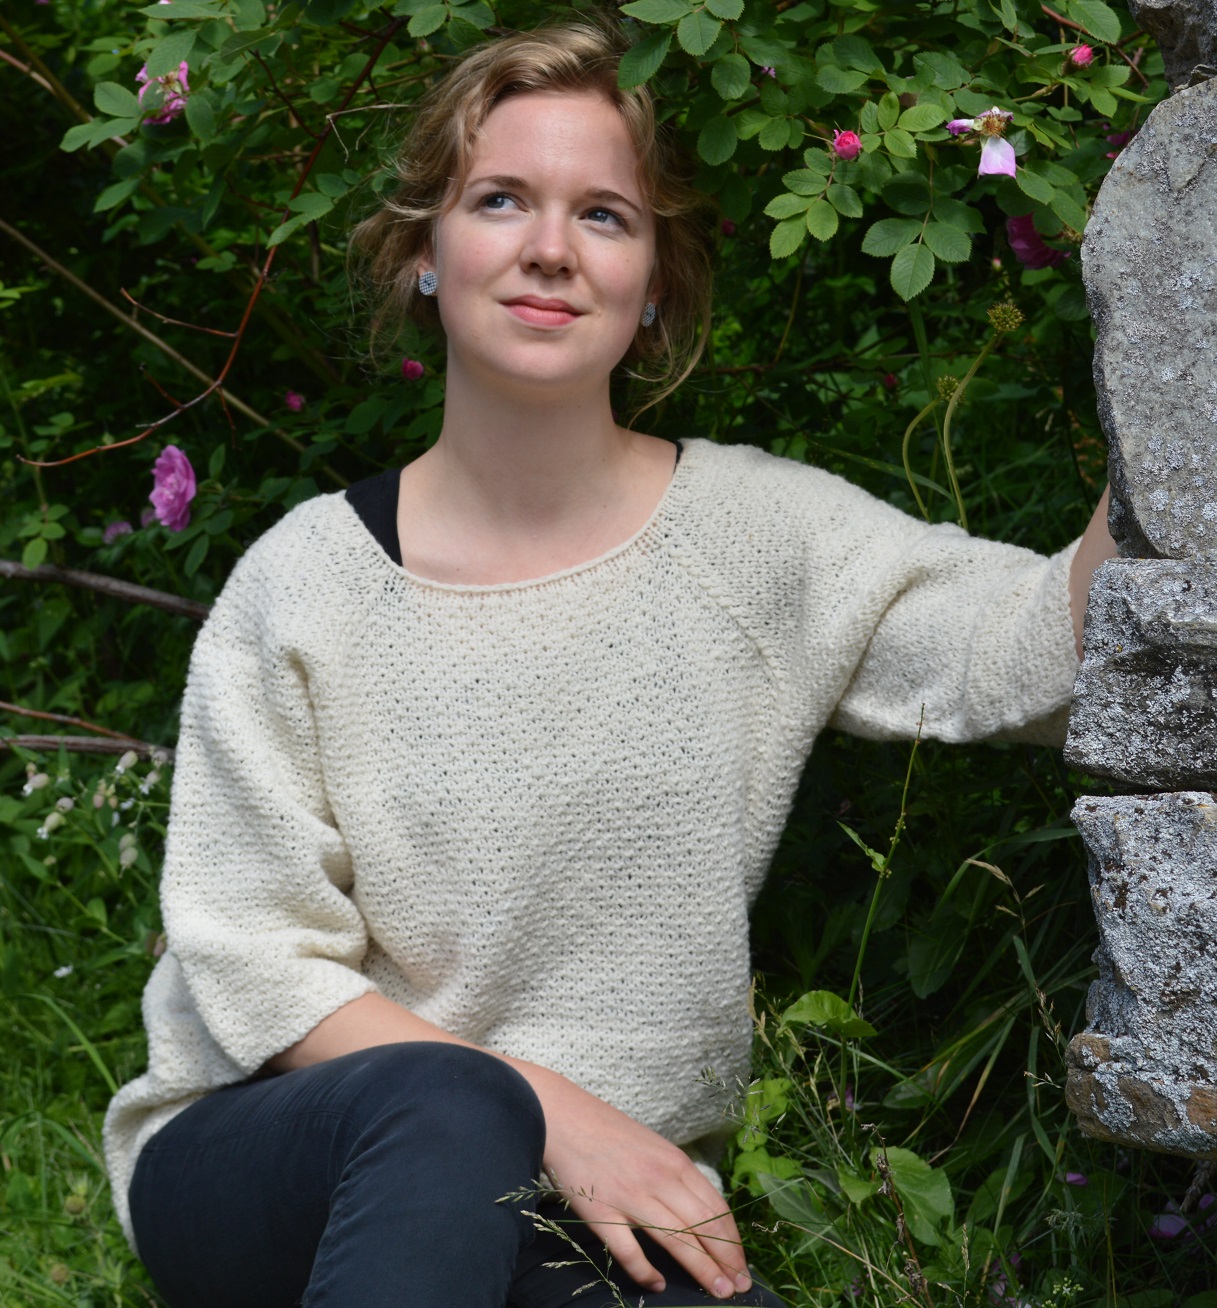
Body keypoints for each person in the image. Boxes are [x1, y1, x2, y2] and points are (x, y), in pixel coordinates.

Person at [103, 21, 1118, 1308]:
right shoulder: (303, 585)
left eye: (603, 215)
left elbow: (1030, 647)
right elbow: (251, 957)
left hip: (592, 1207)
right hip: (275, 1150)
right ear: (424, 253)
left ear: (652, 287)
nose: (549, 248)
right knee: (448, 1107)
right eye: (499, 200)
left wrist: (1171, 400)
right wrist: (551, 1113)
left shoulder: (755, 537)